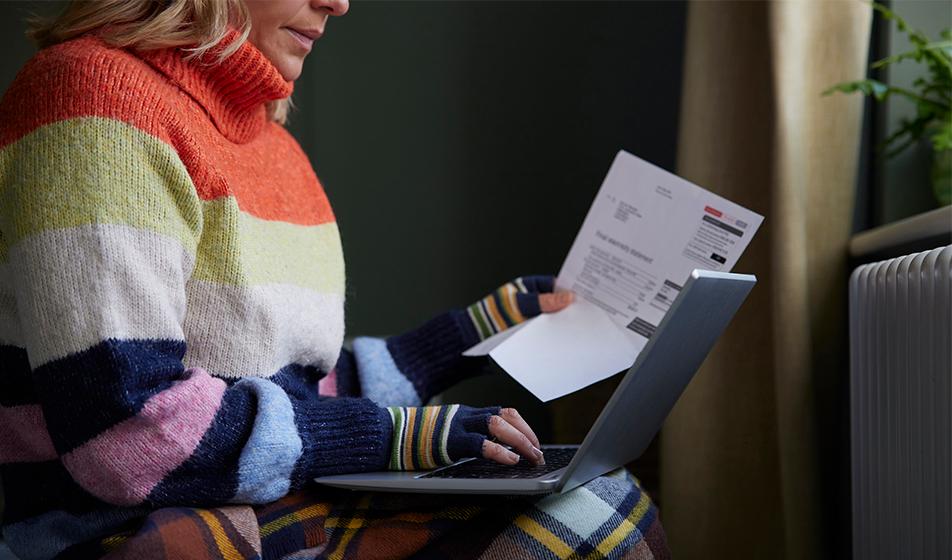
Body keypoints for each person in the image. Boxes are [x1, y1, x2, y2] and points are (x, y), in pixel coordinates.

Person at [0, 0, 669, 558]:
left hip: (250, 497)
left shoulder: (274, 149)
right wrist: (398, 437)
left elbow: (289, 394)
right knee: (589, 520)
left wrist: (478, 331)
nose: (338, 2)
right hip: (108, 527)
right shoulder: (92, 100)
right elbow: (129, 435)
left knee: (599, 495)